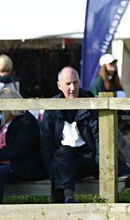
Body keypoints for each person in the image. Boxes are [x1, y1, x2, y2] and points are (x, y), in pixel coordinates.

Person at [39, 67, 99, 203]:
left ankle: (63, 200)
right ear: (59, 86)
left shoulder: (90, 103)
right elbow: (46, 142)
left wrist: (98, 166)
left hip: (86, 159)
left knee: (63, 158)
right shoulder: (52, 108)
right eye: (68, 84)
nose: (72, 87)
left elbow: (99, 138)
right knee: (63, 153)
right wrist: (50, 167)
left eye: (75, 82)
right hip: (62, 159)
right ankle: (69, 197)